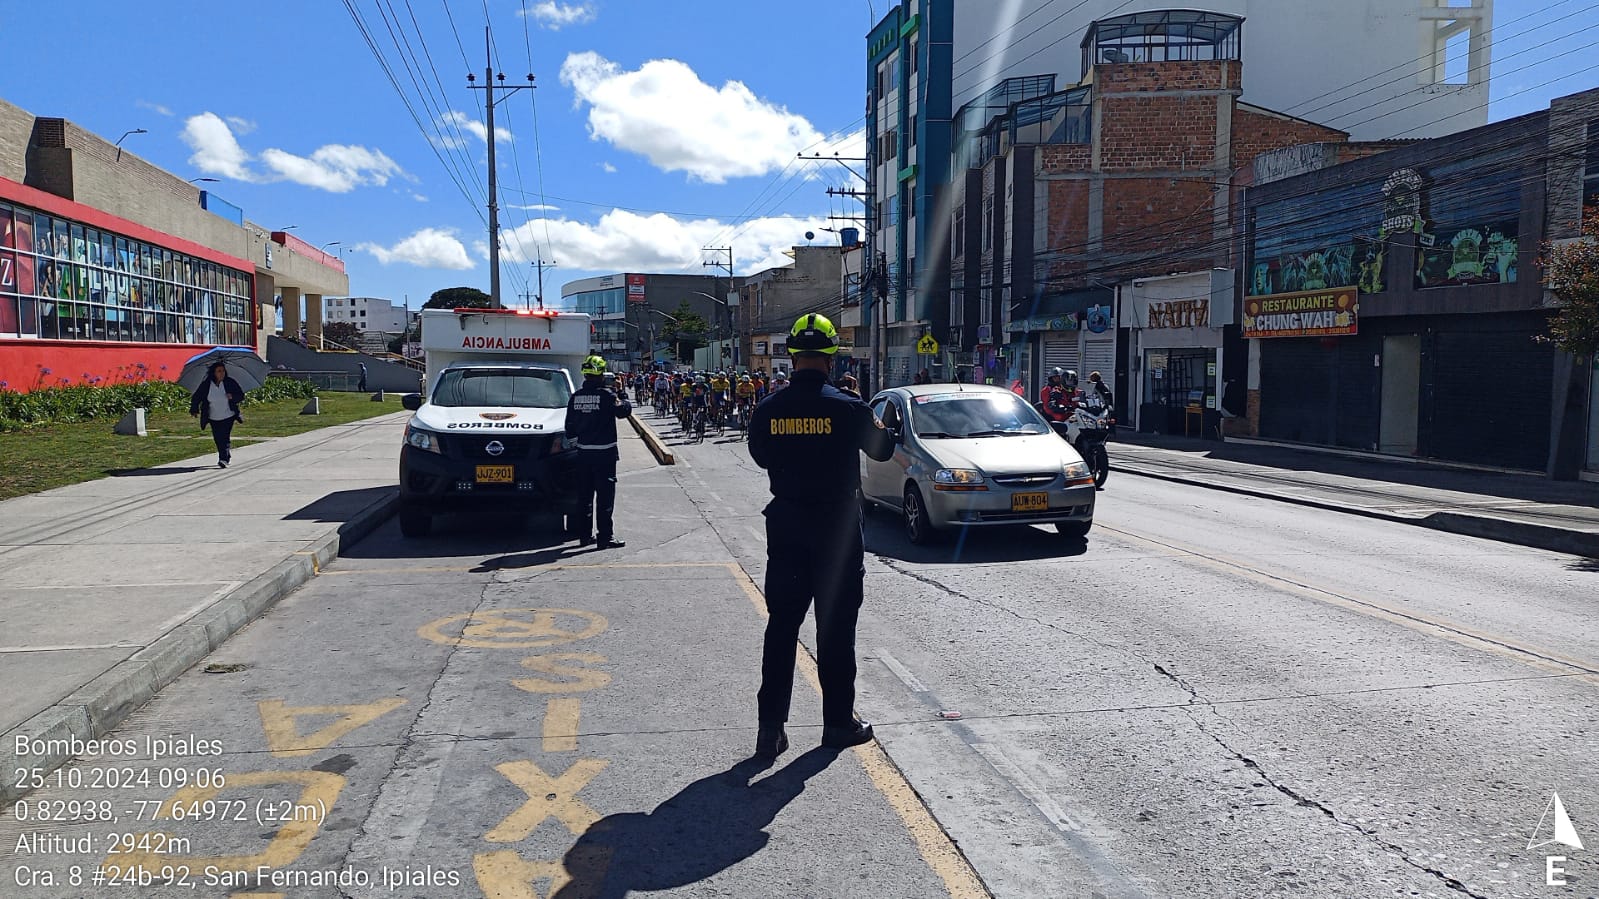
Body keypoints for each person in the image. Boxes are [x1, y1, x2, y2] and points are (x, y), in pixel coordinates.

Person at [747, 313, 895, 758]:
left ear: (792, 355)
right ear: (832, 356)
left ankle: (770, 730)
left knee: (782, 629)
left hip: (788, 526)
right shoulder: (849, 407)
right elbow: (884, 448)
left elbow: (758, 456)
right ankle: (837, 724)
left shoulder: (768, 408)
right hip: (837, 532)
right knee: (835, 631)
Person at [564, 355, 632, 549]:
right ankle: (605, 538)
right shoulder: (608, 396)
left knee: (584, 497)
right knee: (604, 498)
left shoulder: (575, 397)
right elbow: (624, 412)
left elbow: (569, 427)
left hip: (583, 454)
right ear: (601, 374)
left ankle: (584, 536)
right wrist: (622, 393)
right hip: (605, 454)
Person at [189, 361, 245, 469]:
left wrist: (232, 396)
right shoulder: (207, 384)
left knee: (224, 436)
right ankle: (225, 455)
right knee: (218, 438)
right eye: (219, 371)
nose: (222, 373)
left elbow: (241, 396)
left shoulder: (230, 382)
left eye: (223, 371)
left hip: (228, 415)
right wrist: (194, 409)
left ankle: (223, 459)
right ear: (213, 373)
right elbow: (196, 397)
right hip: (213, 416)